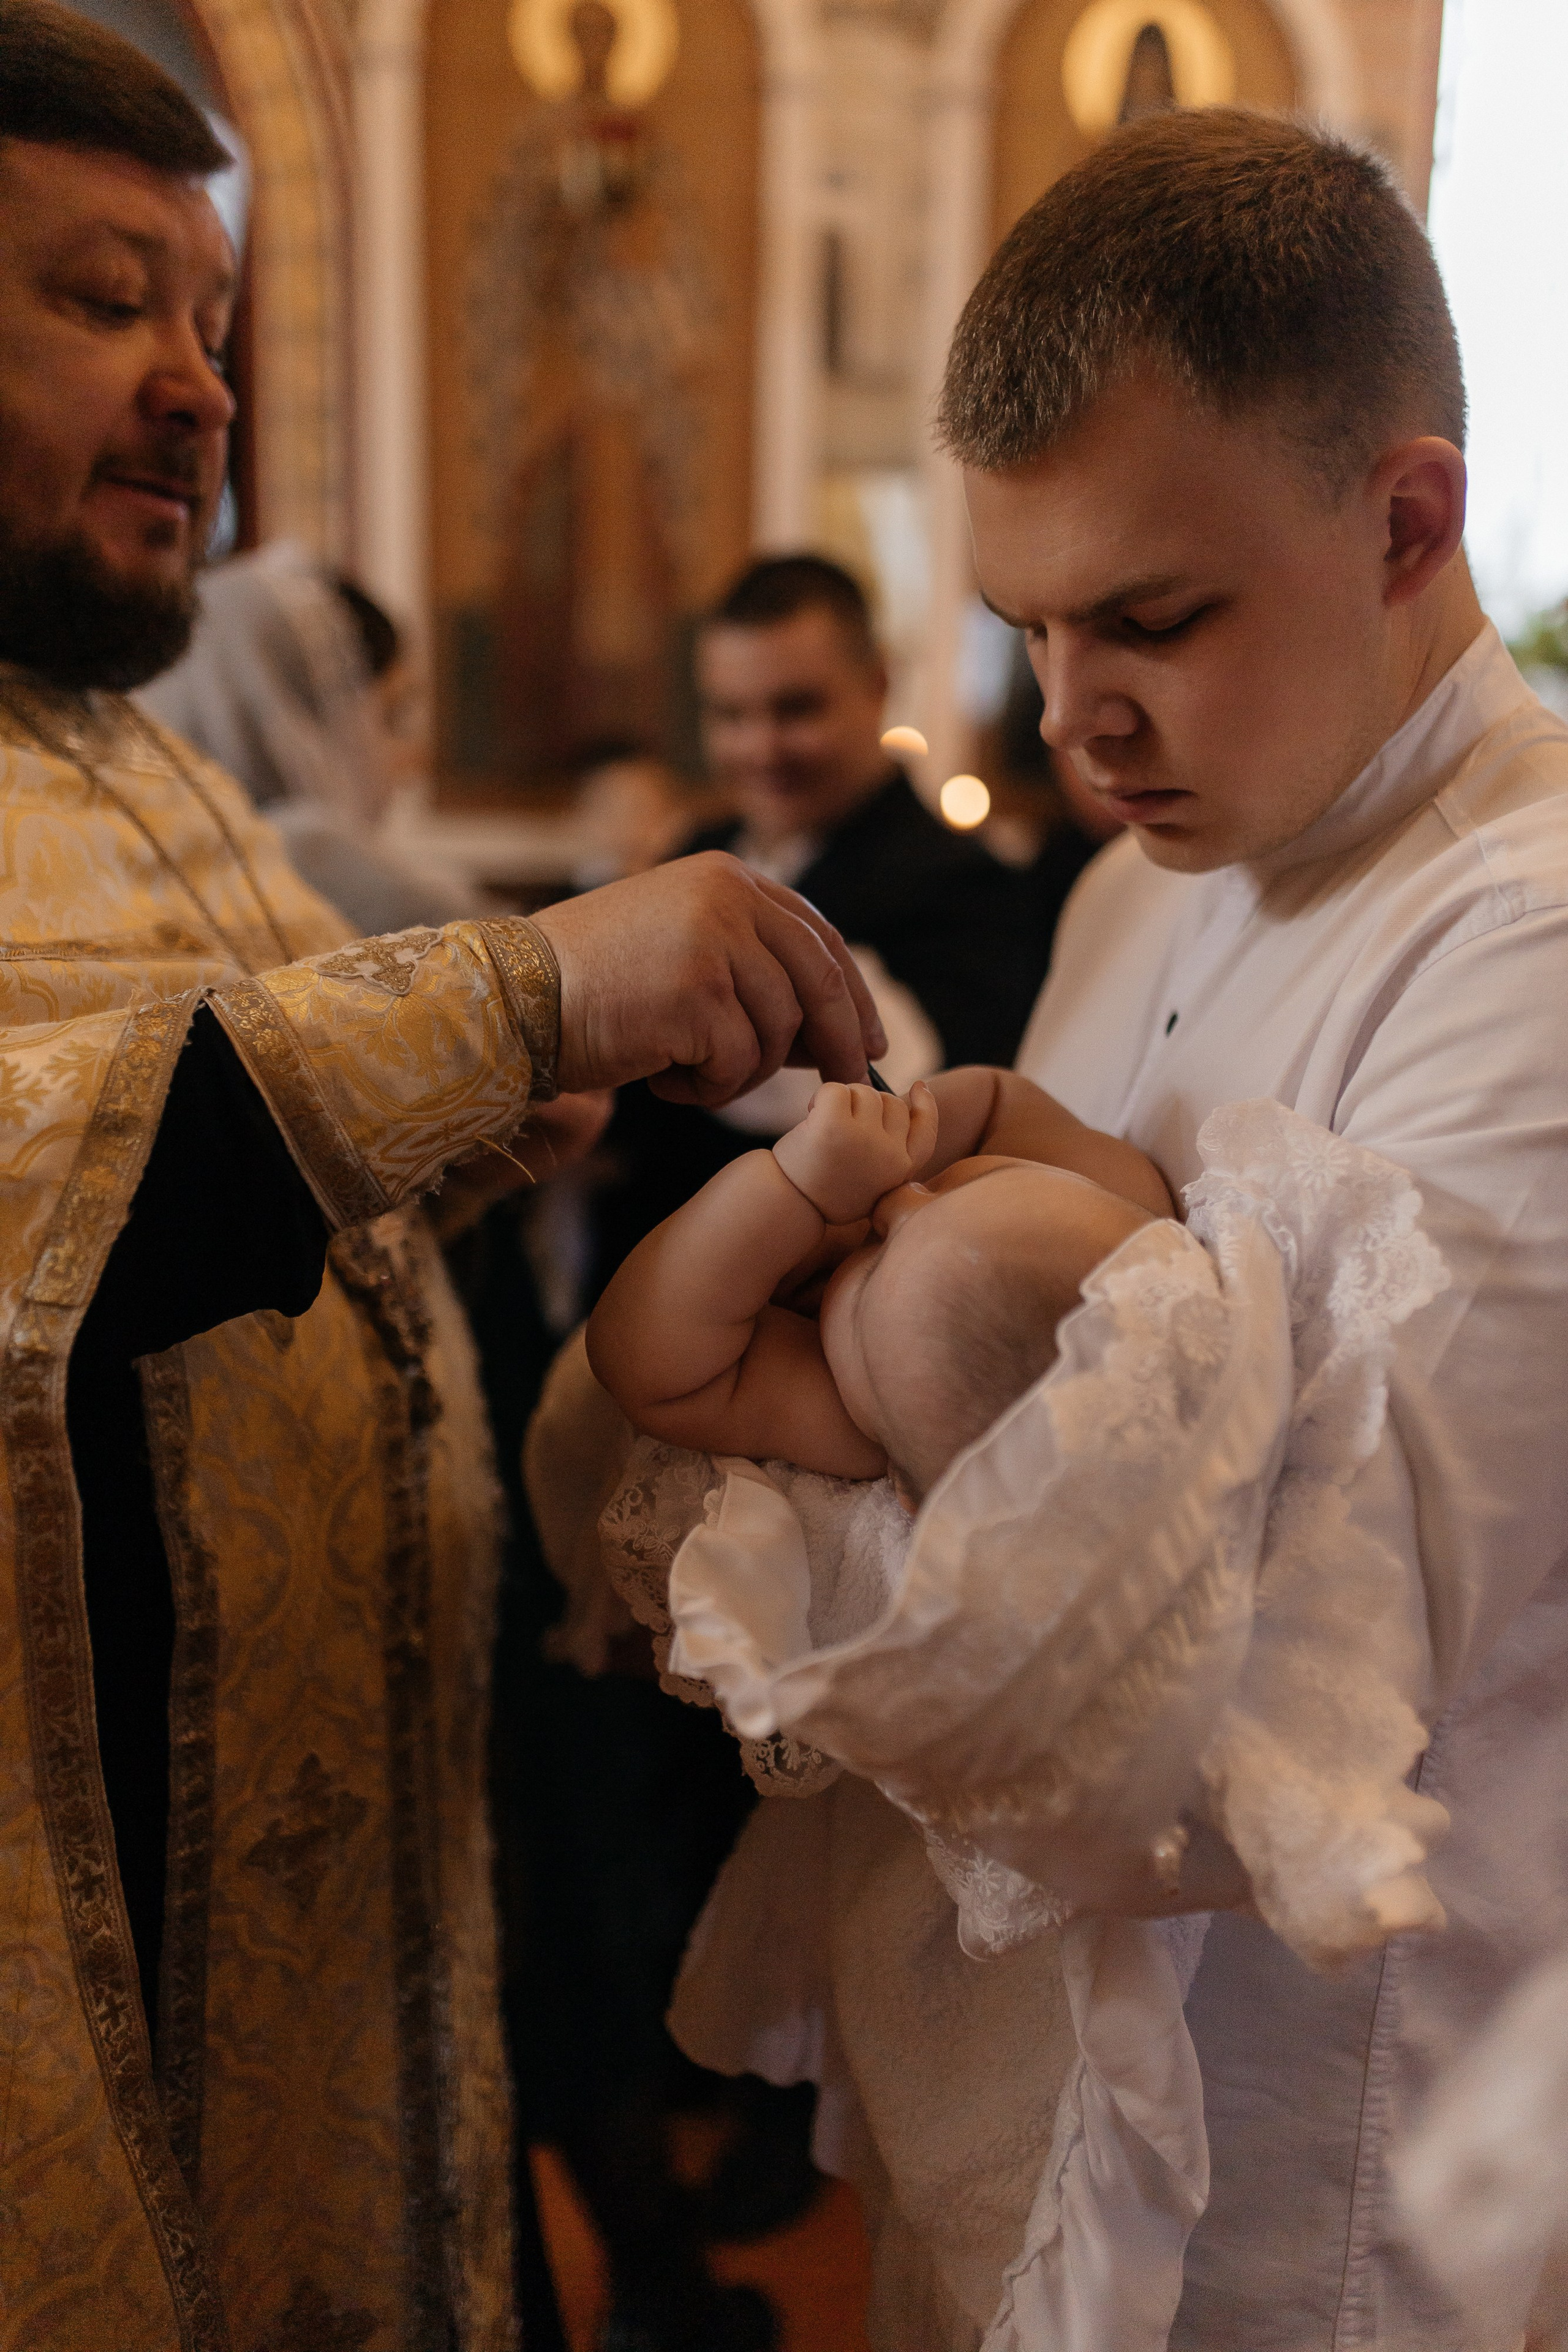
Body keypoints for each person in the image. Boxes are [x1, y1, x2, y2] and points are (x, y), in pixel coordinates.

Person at [0, 12, 881, 2348]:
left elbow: (178, 1218)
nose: (196, 387)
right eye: (102, 301)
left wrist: (466, 1151)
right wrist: (522, 997)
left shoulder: (149, 769)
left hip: (347, 1956)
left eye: (212, 319)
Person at [928, 105, 1568, 2346]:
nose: (1067, 715)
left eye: (1150, 618)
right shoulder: (1133, 881)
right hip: (1050, 2065)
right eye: (1027, 627)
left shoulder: (1530, 930)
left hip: (1345, 2153)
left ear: (1402, 522)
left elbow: (1295, 1678)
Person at [565, 1071, 1450, 2349]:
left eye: (871, 1274)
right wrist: (937, 1132)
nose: (900, 1204)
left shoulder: (853, 1437)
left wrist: (795, 1189)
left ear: (915, 1498)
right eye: (963, 1189)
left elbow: (648, 1355)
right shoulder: (1123, 1238)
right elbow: (1006, 1112)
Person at [591, 555, 1049, 1280]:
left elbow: (934, 1128)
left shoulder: (968, 888)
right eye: (731, 715)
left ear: (877, 684)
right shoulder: (695, 852)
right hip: (633, 1268)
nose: (760, 748)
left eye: (796, 709)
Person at [141, 538, 472, 934]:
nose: (414, 757)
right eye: (390, 718)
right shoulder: (317, 855)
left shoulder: (144, 851)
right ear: (304, 721)